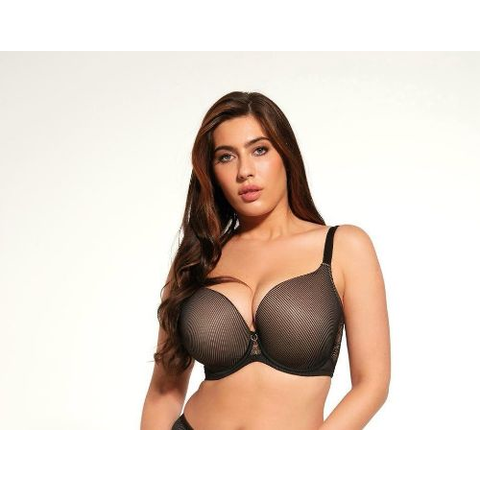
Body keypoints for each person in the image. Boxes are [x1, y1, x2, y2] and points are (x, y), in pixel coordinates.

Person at [140, 91, 391, 430]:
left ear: (285, 154)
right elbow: (164, 392)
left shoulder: (343, 247)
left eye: (259, 150)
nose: (245, 171)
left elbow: (371, 384)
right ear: (211, 171)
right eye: (226, 157)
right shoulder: (196, 260)